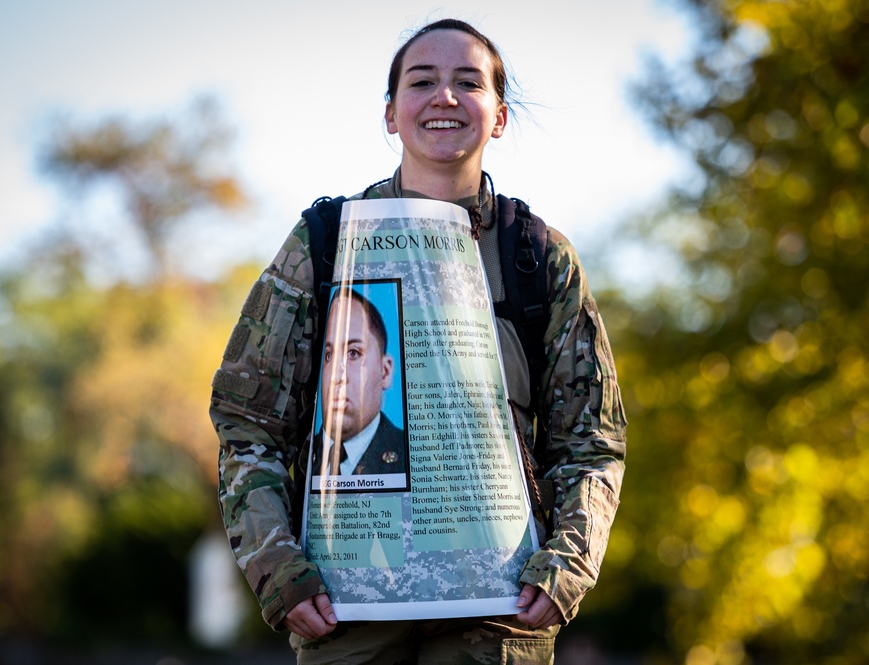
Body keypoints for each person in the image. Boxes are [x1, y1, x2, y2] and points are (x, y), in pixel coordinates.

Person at [210, 18, 627, 664]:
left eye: (468, 82)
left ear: (499, 117)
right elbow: (248, 424)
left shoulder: (536, 256)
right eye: (421, 81)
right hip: (347, 610)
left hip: (497, 614)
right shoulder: (325, 243)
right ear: (389, 113)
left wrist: (565, 566)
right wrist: (278, 569)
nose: (444, 97)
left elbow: (590, 441)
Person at [311, 287, 406, 477]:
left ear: (385, 372)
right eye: (328, 355)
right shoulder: (301, 451)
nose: (337, 376)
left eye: (353, 353)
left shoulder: (410, 454)